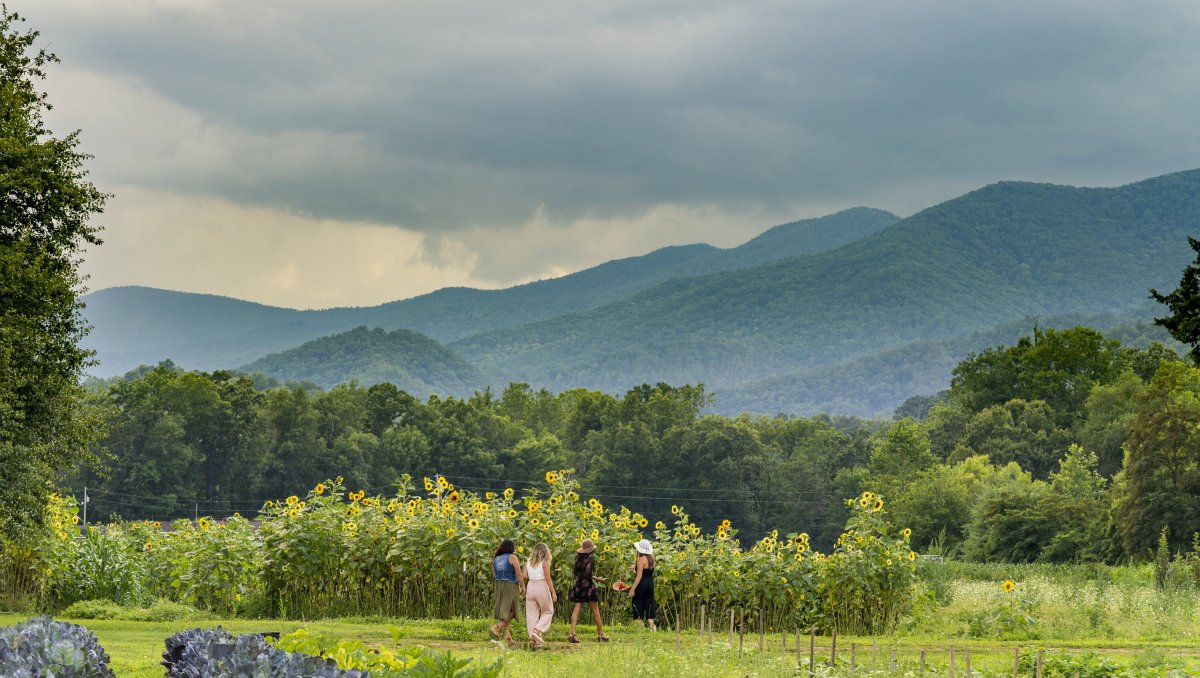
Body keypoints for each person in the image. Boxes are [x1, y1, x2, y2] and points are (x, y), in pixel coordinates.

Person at [567, 538, 610, 643]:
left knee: (576, 610)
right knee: (595, 610)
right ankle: (601, 634)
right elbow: (588, 575)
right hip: (588, 586)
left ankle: (572, 633)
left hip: (579, 585)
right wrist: (596, 579)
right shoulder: (590, 560)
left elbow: (579, 574)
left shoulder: (577, 560)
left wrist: (597, 578)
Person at [524, 542, 557, 647]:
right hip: (541, 586)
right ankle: (537, 631)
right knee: (548, 611)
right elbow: (548, 578)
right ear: (545, 551)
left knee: (531, 613)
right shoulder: (545, 562)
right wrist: (553, 592)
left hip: (531, 586)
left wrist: (533, 574)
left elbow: (524, 575)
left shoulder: (528, 561)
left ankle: (532, 638)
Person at [491, 539, 524, 642]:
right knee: (513, 611)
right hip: (510, 584)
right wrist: (523, 586)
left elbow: (494, 575)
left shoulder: (495, 559)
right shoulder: (512, 557)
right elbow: (518, 574)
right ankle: (497, 627)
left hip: (499, 584)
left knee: (506, 610)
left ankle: (507, 635)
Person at [629, 539, 658, 631]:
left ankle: (640, 629)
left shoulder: (640, 559)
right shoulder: (652, 558)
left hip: (642, 584)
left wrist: (632, 589)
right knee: (649, 604)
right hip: (650, 583)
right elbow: (647, 570)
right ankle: (653, 629)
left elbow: (639, 575)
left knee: (638, 604)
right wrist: (635, 567)